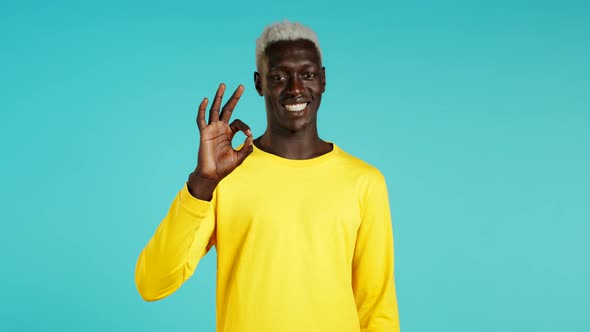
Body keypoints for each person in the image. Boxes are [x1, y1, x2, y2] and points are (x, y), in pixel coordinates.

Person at [135, 21, 400, 332]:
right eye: (279, 77)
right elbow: (152, 283)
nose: (296, 88)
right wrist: (201, 183)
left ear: (324, 80)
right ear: (259, 84)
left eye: (308, 74)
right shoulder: (225, 177)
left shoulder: (364, 182)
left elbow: (377, 307)